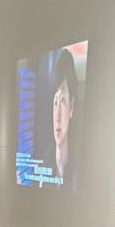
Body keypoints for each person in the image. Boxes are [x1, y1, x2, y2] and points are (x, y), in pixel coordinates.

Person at [50, 47, 79, 189]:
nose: (58, 115)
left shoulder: (78, 171)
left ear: (71, 107)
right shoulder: (44, 162)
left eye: (62, 101)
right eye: (55, 102)